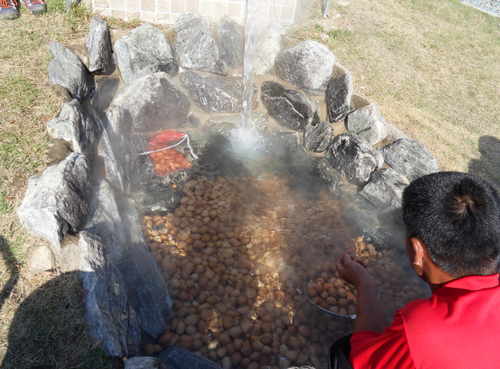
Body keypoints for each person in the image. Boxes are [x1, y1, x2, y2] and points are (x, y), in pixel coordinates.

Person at [329, 171, 500, 369]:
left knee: (342, 352)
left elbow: (362, 355)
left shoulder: (422, 328)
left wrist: (364, 284)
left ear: (417, 251)